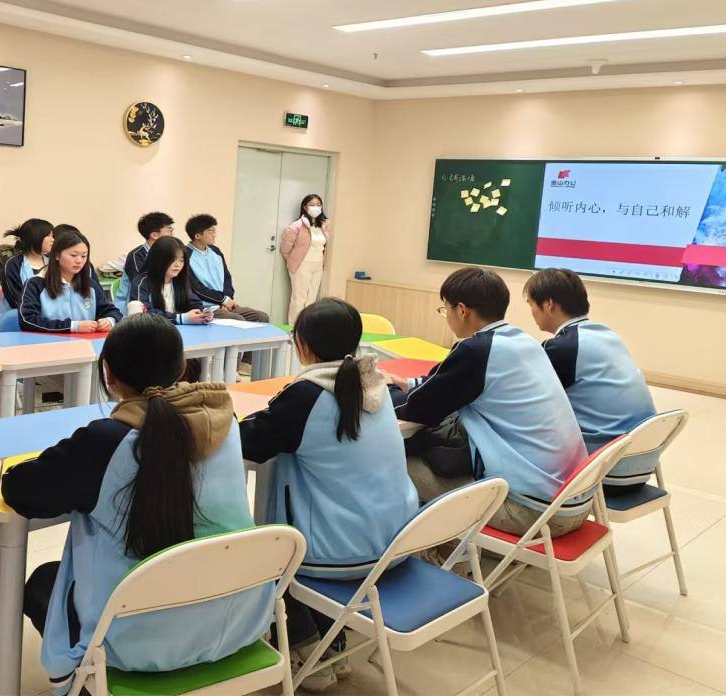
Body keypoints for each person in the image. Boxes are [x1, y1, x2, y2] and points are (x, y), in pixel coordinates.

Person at [1, 314, 272, 696]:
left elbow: (20, 490)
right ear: (182, 367)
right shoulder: (226, 424)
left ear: (108, 374)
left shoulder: (105, 442)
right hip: (237, 622)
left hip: (133, 645)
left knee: (43, 583)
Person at [240, 298, 416, 692]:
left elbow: (249, 442)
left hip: (339, 554)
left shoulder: (306, 395)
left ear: (302, 345)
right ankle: (331, 638)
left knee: (262, 549)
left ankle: (309, 648)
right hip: (395, 539)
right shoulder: (375, 381)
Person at [389, 267, 589, 536]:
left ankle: (436, 552)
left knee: (392, 465)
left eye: (445, 308)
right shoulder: (522, 341)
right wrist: (411, 385)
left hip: (536, 514)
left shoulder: (476, 350)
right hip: (573, 499)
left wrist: (379, 394)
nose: (446, 316)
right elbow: (448, 385)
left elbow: (418, 409)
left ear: (462, 310)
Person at [526, 268, 660, 493]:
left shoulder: (564, 347)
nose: (531, 312)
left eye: (530, 304)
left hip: (603, 471)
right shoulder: (607, 335)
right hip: (642, 465)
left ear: (548, 304)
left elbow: (527, 402)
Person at [19, 231, 120, 333]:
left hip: (86, 341)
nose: (79, 261)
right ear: (57, 255)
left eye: (84, 256)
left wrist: (109, 320)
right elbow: (27, 320)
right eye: (73, 255)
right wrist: (72, 326)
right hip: (47, 341)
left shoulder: (90, 284)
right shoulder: (35, 284)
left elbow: (111, 311)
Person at [183, 213, 269, 324]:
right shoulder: (185, 255)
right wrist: (222, 300)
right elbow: (196, 288)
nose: (214, 234)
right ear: (197, 236)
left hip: (225, 302)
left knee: (261, 317)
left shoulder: (215, 251)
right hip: (205, 307)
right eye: (210, 231)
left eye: (214, 231)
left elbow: (227, 278)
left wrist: (227, 300)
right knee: (238, 320)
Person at [129, 236, 213, 325]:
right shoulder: (142, 282)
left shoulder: (179, 280)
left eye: (181, 260)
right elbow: (143, 315)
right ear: (157, 260)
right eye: (172, 260)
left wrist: (203, 312)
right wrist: (180, 318)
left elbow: (193, 302)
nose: (178, 265)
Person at [281, 194, 331, 325]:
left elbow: (325, 246)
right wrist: (293, 261)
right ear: (305, 207)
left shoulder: (323, 225)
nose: (316, 207)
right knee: (299, 298)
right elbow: (285, 248)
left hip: (318, 265)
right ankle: (294, 328)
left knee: (311, 299)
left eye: (318, 205)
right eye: (312, 205)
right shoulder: (296, 226)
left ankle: (308, 327)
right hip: (301, 265)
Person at [113, 212, 174, 307]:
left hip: (162, 305)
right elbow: (142, 287)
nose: (172, 233)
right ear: (154, 235)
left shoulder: (171, 253)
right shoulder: (136, 256)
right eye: (169, 229)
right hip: (136, 308)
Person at [1, 218, 54, 309]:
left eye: (52, 236)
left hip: (52, 314)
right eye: (49, 236)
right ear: (36, 237)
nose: (53, 240)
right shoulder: (13, 265)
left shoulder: (53, 263)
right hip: (21, 314)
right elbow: (15, 299)